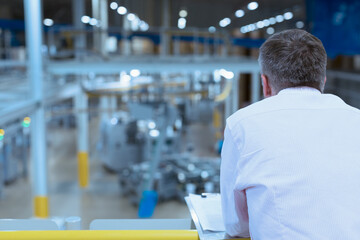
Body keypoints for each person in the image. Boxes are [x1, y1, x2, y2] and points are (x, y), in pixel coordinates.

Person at [220, 29, 360, 239]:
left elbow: (236, 226)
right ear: (323, 80)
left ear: (265, 84)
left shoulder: (242, 124)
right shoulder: (356, 119)